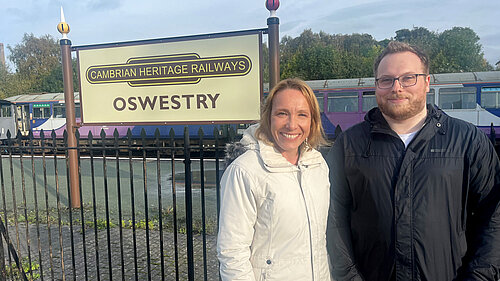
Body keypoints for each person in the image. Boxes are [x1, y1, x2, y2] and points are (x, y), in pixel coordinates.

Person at [326, 41, 500, 281]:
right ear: (376, 85)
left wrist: (479, 277)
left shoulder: (468, 140)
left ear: (427, 82)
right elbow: (334, 220)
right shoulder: (348, 145)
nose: (396, 88)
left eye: (408, 78)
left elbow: (493, 217)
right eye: (386, 80)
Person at [217, 78, 332, 280]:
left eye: (302, 115)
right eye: (282, 113)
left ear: (312, 121)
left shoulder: (318, 165)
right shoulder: (244, 171)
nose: (292, 124)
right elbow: (232, 253)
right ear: (268, 117)